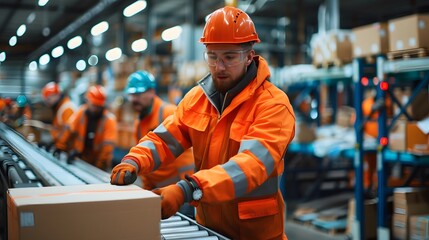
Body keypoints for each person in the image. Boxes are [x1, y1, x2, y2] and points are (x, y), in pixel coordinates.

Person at [111, 6, 295, 240]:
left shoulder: (272, 105)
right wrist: (134, 160)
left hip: (256, 233)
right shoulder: (197, 99)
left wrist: (190, 188)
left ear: (249, 56)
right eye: (212, 57)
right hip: (208, 230)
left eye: (229, 57)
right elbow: (165, 138)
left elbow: (251, 166)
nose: (219, 67)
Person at [125, 70, 195, 190]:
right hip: (159, 190)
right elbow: (146, 161)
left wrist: (184, 189)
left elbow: (183, 153)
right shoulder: (138, 124)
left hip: (181, 188)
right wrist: (147, 190)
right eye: (131, 95)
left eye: (139, 94)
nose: (134, 99)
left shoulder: (169, 112)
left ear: (152, 92)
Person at [59, 85, 117, 171]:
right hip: (82, 159)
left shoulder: (109, 120)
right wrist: (60, 146)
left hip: (99, 163)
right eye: (94, 105)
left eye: (98, 106)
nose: (96, 109)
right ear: (87, 101)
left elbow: (107, 148)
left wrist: (99, 167)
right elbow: (69, 130)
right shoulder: (81, 112)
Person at [41, 82, 77, 151]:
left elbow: (67, 132)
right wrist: (53, 142)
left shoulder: (67, 108)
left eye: (49, 99)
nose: (47, 103)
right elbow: (59, 131)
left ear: (56, 95)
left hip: (68, 150)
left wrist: (59, 146)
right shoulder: (60, 108)